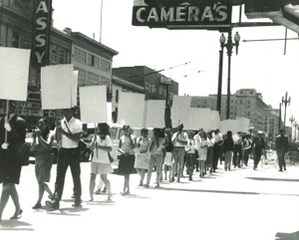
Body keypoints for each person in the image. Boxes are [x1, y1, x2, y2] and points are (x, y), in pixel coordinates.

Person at [47, 108, 83, 210]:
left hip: (73, 151)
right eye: (64, 111)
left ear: (72, 112)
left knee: (75, 175)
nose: (65, 113)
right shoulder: (61, 122)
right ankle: (56, 200)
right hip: (63, 150)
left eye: (67, 111)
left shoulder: (77, 123)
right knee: (59, 176)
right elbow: (57, 138)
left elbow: (77, 139)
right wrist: (58, 129)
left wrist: (64, 132)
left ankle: (77, 197)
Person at [0, 101, 26, 221]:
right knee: (9, 185)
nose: (5, 108)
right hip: (4, 157)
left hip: (14, 158)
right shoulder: (2, 120)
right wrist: (2, 145)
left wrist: (10, 130)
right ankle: (18, 208)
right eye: (4, 106)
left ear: (13, 107)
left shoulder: (20, 122)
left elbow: (21, 141)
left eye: (8, 106)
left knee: (7, 184)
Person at [31, 118, 54, 209]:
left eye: (42, 124)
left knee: (41, 181)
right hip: (38, 158)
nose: (39, 125)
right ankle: (52, 195)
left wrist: (39, 137)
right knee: (40, 181)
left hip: (46, 158)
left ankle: (38, 202)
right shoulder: (38, 135)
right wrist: (34, 138)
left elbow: (48, 146)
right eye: (38, 124)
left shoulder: (50, 134)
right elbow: (32, 148)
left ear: (46, 125)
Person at [89, 123, 113, 201]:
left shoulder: (107, 137)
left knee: (104, 178)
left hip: (104, 160)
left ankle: (109, 193)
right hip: (95, 160)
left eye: (98, 128)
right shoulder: (96, 137)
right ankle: (91, 197)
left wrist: (99, 147)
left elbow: (110, 148)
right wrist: (93, 142)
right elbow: (91, 148)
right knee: (92, 177)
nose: (97, 129)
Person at [117, 125, 136, 195]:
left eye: (127, 130)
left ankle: (126, 189)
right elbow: (119, 148)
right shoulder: (122, 138)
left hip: (130, 155)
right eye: (125, 130)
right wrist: (123, 152)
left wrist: (130, 138)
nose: (126, 131)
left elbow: (133, 146)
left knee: (127, 173)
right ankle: (125, 188)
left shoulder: (133, 137)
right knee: (125, 173)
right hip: (124, 155)